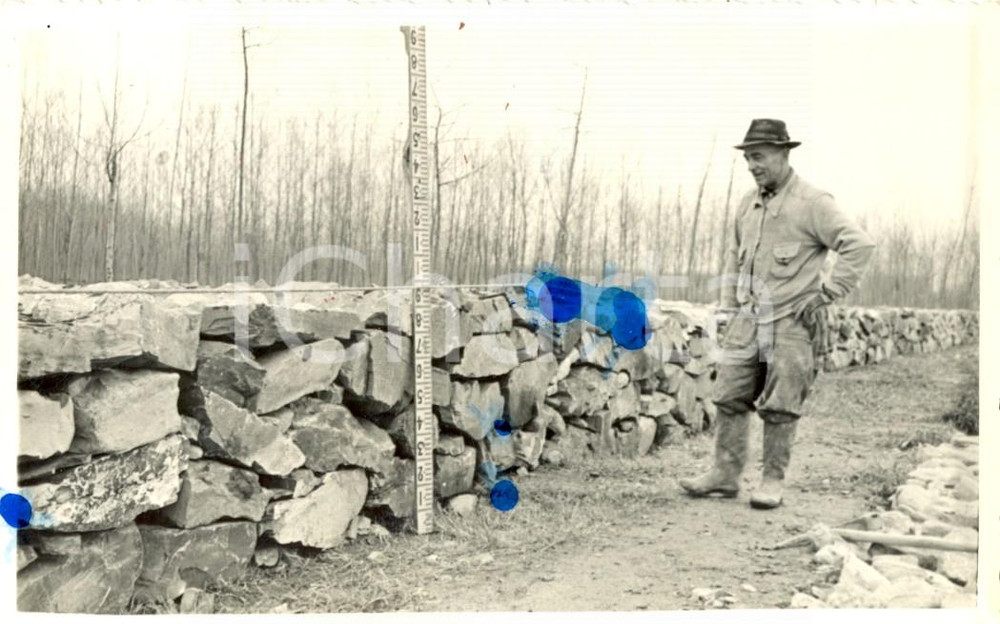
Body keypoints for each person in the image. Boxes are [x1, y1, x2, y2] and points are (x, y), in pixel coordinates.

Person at [679, 119, 876, 509]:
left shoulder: (813, 202)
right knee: (729, 396)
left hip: (791, 321)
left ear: (784, 154)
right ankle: (725, 474)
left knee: (781, 403)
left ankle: (772, 480)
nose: (753, 165)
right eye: (748, 158)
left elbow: (859, 244)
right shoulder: (747, 205)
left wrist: (828, 292)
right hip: (748, 320)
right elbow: (737, 261)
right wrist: (730, 308)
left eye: (760, 156)